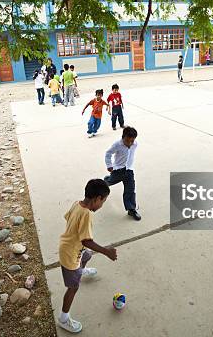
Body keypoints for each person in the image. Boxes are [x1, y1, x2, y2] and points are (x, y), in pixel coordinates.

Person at [57, 179, 117, 333]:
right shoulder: (87, 214)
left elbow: (69, 219)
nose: (102, 205)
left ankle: (81, 270)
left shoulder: (77, 204)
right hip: (70, 254)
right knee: (73, 287)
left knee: (87, 255)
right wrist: (106, 251)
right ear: (97, 198)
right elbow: (86, 240)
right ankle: (64, 319)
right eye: (103, 201)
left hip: (71, 246)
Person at [104, 126, 141, 221]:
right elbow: (108, 153)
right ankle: (106, 181)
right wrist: (109, 165)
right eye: (127, 141)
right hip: (118, 170)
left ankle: (131, 209)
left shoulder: (135, 144)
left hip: (129, 171)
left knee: (130, 190)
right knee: (109, 182)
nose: (129, 143)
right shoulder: (117, 144)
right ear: (123, 137)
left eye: (132, 141)